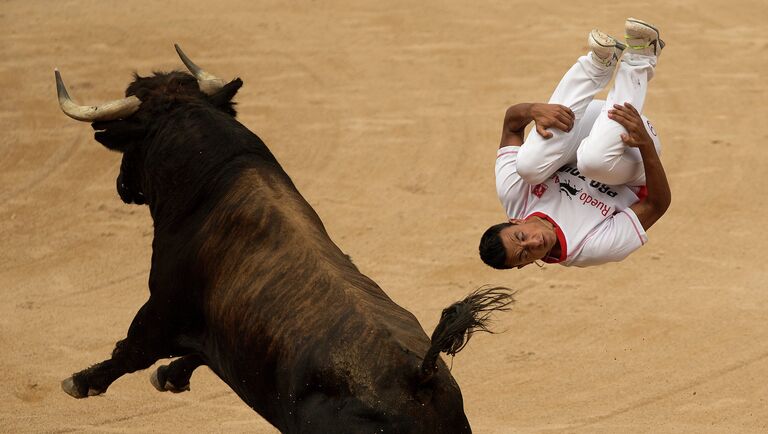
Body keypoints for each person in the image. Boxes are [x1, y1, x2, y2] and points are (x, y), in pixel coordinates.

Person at [479, 18, 671, 269]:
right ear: (524, 265)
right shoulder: (588, 248)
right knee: (594, 162)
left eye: (521, 237)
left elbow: (512, 125)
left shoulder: (515, 196)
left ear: (516, 222)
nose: (533, 244)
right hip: (634, 152)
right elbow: (657, 204)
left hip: (588, 123)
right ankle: (641, 56)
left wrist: (534, 110)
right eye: (524, 255)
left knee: (528, 166)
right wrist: (644, 143)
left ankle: (598, 63)